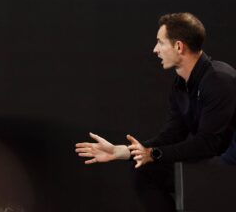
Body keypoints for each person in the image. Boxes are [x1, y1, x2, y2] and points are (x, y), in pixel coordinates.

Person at [75, 13, 236, 211]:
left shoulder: (219, 80)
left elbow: (206, 145)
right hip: (217, 164)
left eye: (160, 42)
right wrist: (123, 151)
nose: (155, 50)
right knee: (145, 172)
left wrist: (155, 154)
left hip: (229, 167)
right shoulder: (180, 85)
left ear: (178, 46)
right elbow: (172, 135)